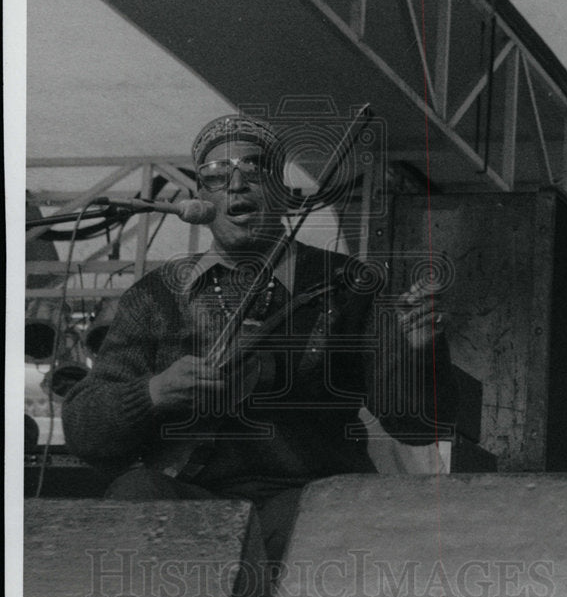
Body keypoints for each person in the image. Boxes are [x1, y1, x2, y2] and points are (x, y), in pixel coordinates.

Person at [63, 114, 458, 563]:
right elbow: (86, 434)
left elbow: (417, 425)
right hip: (195, 499)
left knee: (320, 522)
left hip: (309, 499)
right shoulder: (156, 295)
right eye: (216, 177)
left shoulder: (347, 284)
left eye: (254, 170)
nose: (236, 185)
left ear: (285, 195)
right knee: (136, 492)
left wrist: (418, 354)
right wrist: (152, 393)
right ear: (200, 200)